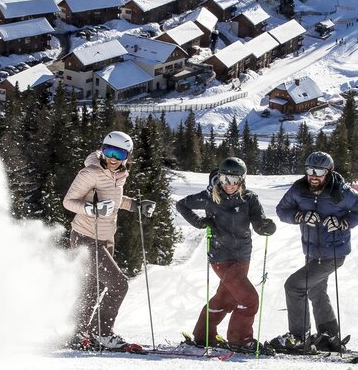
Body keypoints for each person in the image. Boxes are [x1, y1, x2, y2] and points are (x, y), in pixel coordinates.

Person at [62, 131, 154, 351]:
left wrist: (134, 205)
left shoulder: (119, 175)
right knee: (118, 285)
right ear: (102, 150)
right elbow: (68, 202)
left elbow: (114, 200)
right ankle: (102, 333)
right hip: (85, 237)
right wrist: (91, 209)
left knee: (92, 287)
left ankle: (78, 333)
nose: (113, 158)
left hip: (105, 238)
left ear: (127, 156)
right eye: (109, 151)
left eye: (120, 153)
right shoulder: (90, 172)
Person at [271, 151, 358, 353]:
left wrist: (343, 223)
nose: (313, 176)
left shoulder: (340, 191)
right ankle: (328, 336)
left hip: (333, 254)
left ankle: (299, 338)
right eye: (309, 170)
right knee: (316, 290)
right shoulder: (299, 189)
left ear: (329, 172)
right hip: (311, 252)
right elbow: (282, 210)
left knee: (294, 286)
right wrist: (299, 216)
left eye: (319, 171)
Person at [176, 157, 276, 354]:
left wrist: (266, 227)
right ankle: (240, 340)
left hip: (243, 256)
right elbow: (182, 205)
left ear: (242, 180)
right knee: (249, 299)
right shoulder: (209, 196)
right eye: (224, 179)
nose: (228, 185)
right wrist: (200, 222)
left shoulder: (249, 198)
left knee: (225, 299)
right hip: (220, 257)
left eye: (234, 180)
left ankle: (203, 336)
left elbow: (259, 224)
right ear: (218, 177)